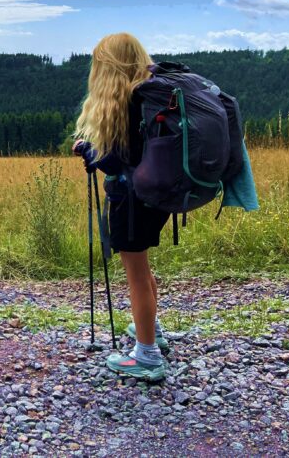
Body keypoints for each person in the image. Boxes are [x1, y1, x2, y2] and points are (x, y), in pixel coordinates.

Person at [72, 32, 169, 382]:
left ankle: (147, 356)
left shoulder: (123, 101)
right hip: (156, 199)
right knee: (142, 268)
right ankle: (152, 331)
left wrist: (89, 152)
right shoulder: (151, 95)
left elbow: (116, 162)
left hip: (129, 201)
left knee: (136, 274)